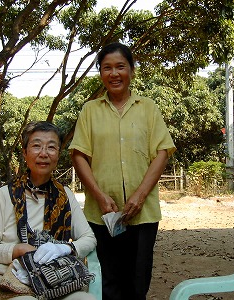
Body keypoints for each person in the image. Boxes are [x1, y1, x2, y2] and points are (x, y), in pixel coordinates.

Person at [69, 42, 176, 300]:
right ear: (101, 73)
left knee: (138, 282)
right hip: (101, 215)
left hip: (143, 213)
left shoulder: (148, 108)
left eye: (120, 67)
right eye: (107, 68)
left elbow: (161, 152)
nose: (114, 74)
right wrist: (98, 195)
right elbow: (78, 155)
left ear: (132, 70)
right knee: (107, 280)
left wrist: (139, 196)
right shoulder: (89, 110)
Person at [0, 121, 97, 300]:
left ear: (58, 154)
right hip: (10, 274)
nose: (44, 153)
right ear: (25, 153)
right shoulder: (5, 195)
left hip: (57, 276)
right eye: (36, 146)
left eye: (51, 147)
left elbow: (89, 239)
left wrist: (64, 249)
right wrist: (18, 250)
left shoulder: (65, 195)